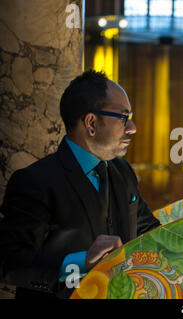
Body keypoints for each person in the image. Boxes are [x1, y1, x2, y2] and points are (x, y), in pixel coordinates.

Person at [0, 70, 160, 299]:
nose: (132, 127)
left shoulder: (123, 172)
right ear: (91, 123)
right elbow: (9, 262)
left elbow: (150, 233)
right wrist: (80, 263)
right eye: (124, 117)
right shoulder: (35, 181)